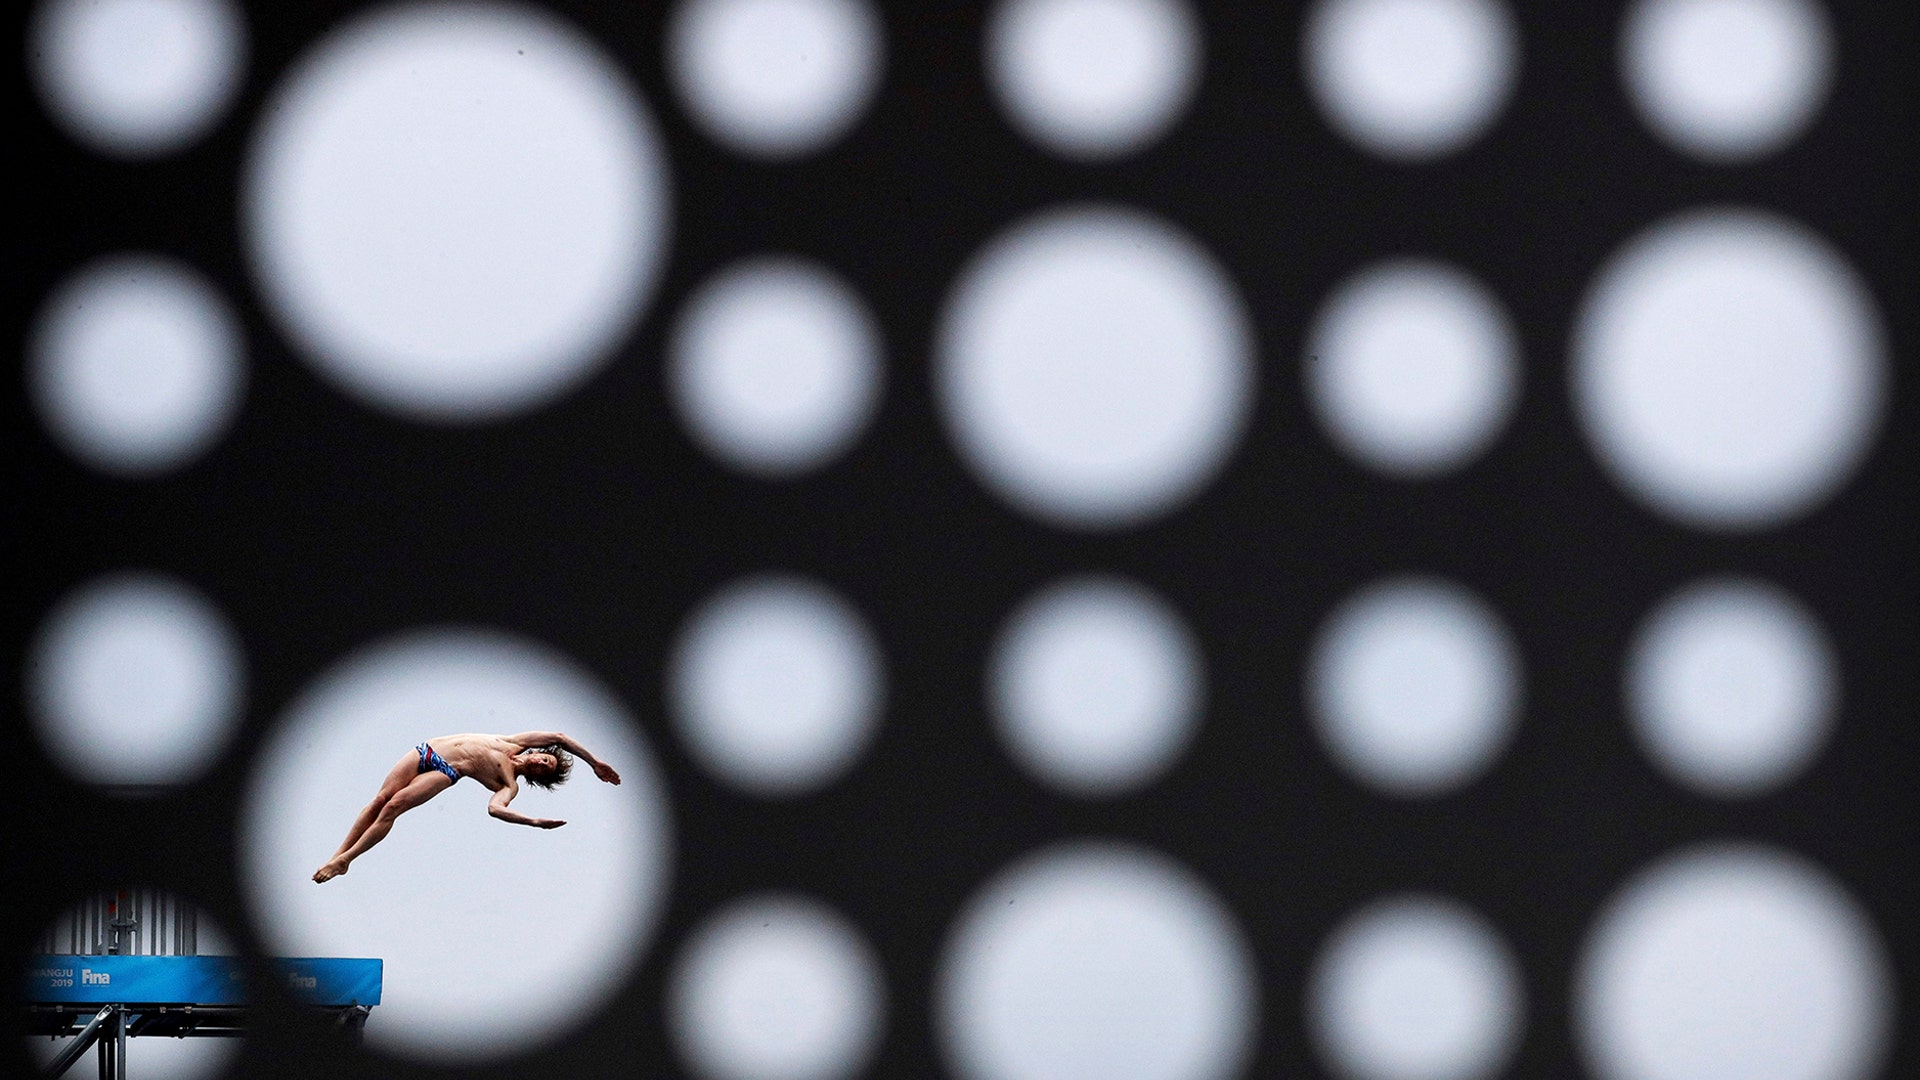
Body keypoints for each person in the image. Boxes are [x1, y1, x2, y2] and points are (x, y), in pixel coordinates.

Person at [312, 731, 621, 883]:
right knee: (379, 799)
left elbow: (496, 810)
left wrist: (534, 822)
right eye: (545, 757)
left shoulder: (508, 783)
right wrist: (593, 762)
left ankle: (346, 861)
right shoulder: (513, 741)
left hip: (446, 771)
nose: (541, 761)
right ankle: (338, 856)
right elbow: (559, 737)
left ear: (538, 777)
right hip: (427, 750)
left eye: (545, 767)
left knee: (393, 806)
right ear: (539, 752)